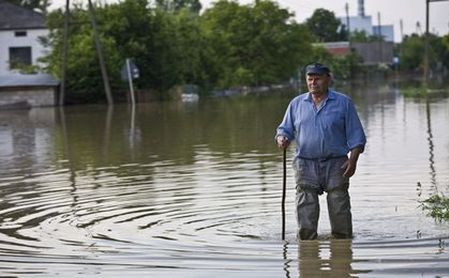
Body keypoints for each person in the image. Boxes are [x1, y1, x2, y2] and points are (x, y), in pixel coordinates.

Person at [275, 63, 366, 240]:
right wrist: (281, 139)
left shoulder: (343, 102)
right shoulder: (296, 103)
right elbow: (284, 130)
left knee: (339, 206)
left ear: (328, 79)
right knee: (305, 210)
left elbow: (357, 136)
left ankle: (342, 252)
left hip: (336, 163)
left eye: (317, 78)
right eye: (310, 79)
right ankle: (308, 252)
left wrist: (353, 160)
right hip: (305, 163)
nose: (313, 82)